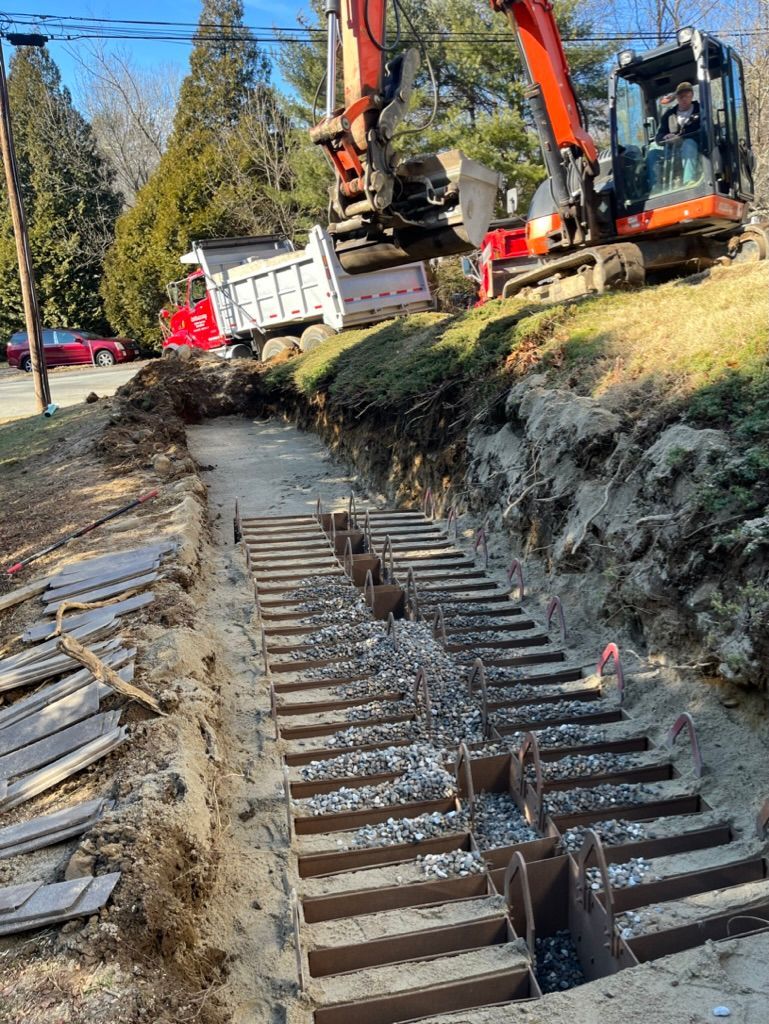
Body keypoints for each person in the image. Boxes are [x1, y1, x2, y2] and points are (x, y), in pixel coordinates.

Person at [648, 82, 702, 188]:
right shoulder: (669, 115)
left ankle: (689, 181)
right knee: (652, 151)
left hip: (697, 149)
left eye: (687, 96)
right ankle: (655, 187)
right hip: (671, 151)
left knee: (689, 143)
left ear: (692, 95)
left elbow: (706, 130)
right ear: (677, 97)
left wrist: (681, 139)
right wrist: (665, 137)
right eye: (681, 96)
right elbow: (659, 136)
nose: (684, 99)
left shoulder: (701, 110)